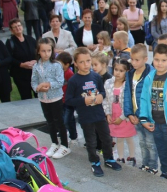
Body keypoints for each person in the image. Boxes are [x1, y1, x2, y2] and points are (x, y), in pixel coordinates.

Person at [66, 47, 122, 176]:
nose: (86, 65)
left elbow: (102, 91)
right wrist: (83, 101)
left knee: (107, 138)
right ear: (75, 63)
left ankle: (108, 159)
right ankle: (94, 162)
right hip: (86, 117)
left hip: (99, 114)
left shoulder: (96, 76)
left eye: (88, 61)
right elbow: (68, 100)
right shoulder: (74, 80)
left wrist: (101, 96)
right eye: (82, 62)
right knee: (91, 141)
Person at [139, 44, 167, 183]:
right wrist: (144, 118)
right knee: (161, 149)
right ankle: (165, 171)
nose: (159, 63)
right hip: (154, 122)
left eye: (164, 60)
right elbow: (144, 99)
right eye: (157, 60)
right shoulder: (149, 78)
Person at [31, 37, 70, 159]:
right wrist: (37, 88)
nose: (46, 53)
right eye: (43, 51)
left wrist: (48, 85)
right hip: (43, 99)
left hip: (56, 98)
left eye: (49, 50)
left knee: (59, 121)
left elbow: (60, 81)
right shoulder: (36, 66)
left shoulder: (56, 65)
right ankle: (54, 143)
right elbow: (34, 81)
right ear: (38, 51)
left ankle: (64, 145)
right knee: (50, 121)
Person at [123, 44, 157, 173]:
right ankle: (145, 164)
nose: (134, 62)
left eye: (137, 59)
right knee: (142, 142)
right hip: (135, 116)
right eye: (132, 59)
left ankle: (153, 166)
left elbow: (151, 98)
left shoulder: (151, 74)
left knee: (150, 143)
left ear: (145, 59)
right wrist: (129, 113)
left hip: (147, 116)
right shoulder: (130, 74)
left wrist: (142, 115)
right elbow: (127, 93)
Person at [104, 59, 137, 166]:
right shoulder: (108, 83)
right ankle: (121, 157)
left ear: (127, 71)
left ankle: (132, 157)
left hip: (125, 117)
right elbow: (105, 100)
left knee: (128, 137)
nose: (117, 73)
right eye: (116, 69)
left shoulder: (129, 85)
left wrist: (122, 117)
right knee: (118, 137)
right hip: (114, 115)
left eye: (121, 71)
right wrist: (107, 113)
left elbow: (131, 102)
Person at [6, 18, 37, 100]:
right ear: (11, 30)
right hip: (20, 74)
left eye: (19, 26)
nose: (18, 28)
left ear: (22, 27)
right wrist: (21, 64)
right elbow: (9, 58)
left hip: (34, 72)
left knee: (39, 95)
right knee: (26, 97)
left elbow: (39, 52)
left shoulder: (30, 39)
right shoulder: (10, 42)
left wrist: (36, 61)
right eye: (15, 27)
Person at [57, 52, 78, 145]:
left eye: (61, 65)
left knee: (68, 120)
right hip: (60, 99)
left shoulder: (69, 74)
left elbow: (73, 88)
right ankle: (63, 132)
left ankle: (73, 136)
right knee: (61, 118)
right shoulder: (58, 72)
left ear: (67, 65)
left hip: (68, 101)